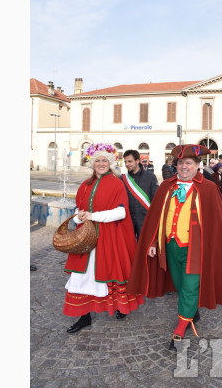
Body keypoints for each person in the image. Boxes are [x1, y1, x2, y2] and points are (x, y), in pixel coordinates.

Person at [127, 144, 222, 350]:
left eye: (189, 163)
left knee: (190, 286)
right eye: (181, 163)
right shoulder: (167, 186)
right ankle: (192, 311)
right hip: (170, 246)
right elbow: (155, 217)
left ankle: (180, 327)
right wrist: (152, 242)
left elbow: (217, 225)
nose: (184, 167)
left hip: (196, 250)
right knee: (180, 284)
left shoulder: (209, 188)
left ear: (197, 165)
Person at [62, 143, 144, 334]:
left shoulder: (117, 184)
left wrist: (93, 216)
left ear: (111, 163)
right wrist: (78, 215)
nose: (100, 163)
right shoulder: (85, 185)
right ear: (92, 163)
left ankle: (120, 308)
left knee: (110, 275)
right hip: (85, 240)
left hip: (108, 238)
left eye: (104, 160)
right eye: (97, 160)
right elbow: (78, 208)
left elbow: (121, 212)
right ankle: (84, 317)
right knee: (81, 278)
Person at [121, 149, 159, 241]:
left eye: (130, 161)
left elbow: (156, 200)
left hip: (145, 220)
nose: (127, 164)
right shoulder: (122, 179)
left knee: (144, 249)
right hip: (128, 220)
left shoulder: (150, 177)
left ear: (137, 161)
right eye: (125, 162)